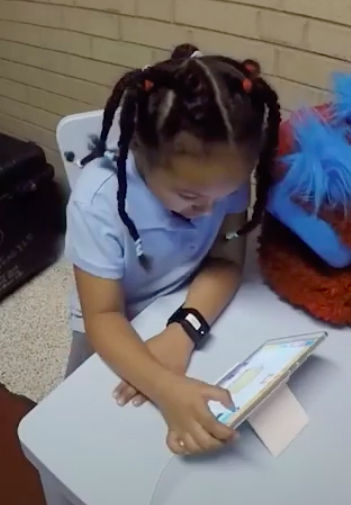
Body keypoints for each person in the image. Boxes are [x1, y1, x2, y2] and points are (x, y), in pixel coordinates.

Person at [63, 43, 281, 456]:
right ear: (143, 158)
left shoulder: (219, 174)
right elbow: (102, 315)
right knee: (82, 426)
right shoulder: (99, 201)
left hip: (184, 299)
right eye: (190, 196)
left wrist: (184, 330)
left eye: (228, 192)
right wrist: (167, 389)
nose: (211, 209)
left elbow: (226, 256)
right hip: (112, 318)